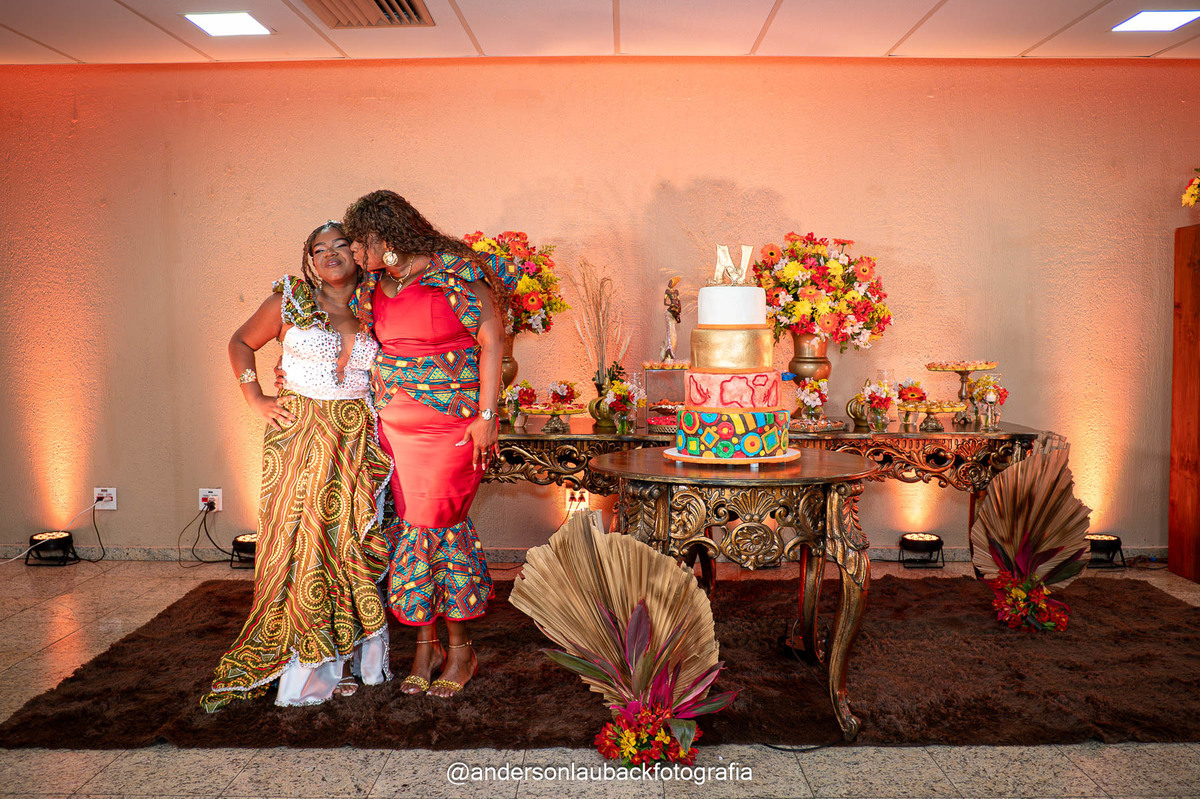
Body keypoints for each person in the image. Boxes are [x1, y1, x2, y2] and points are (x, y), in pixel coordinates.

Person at [200, 221, 393, 712]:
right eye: (319, 248)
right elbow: (240, 343)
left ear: (358, 251)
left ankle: (347, 657)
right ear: (310, 258)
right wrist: (256, 397)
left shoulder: (380, 302)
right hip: (300, 436)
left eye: (340, 244)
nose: (331, 254)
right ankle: (306, 660)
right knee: (302, 542)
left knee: (347, 542)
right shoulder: (290, 300)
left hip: (355, 438)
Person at [342, 190, 519, 698]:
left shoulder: (454, 272)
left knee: (440, 528)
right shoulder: (373, 286)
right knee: (411, 531)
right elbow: (355, 342)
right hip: (396, 429)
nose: (355, 253)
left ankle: (461, 650)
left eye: (360, 243)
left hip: (453, 427)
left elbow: (492, 341)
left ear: (385, 236)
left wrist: (488, 416)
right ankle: (426, 646)